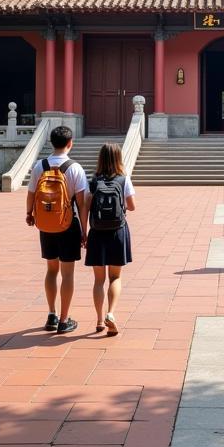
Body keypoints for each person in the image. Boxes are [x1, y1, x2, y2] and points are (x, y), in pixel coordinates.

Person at [25, 124, 88, 334]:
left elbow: (31, 194)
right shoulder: (75, 168)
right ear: (70, 144)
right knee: (67, 273)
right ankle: (64, 319)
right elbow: (81, 203)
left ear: (52, 143)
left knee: (51, 270)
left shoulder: (39, 166)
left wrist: (29, 214)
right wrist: (84, 230)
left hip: (46, 224)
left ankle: (51, 314)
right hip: (68, 224)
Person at [86, 141, 135, 336]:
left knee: (99, 280)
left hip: (97, 232)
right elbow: (131, 206)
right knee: (115, 277)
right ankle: (111, 314)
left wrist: (84, 231)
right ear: (118, 158)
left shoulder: (93, 180)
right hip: (117, 231)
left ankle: (99, 320)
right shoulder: (124, 179)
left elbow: (85, 206)